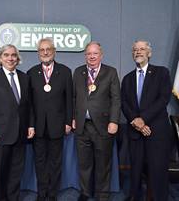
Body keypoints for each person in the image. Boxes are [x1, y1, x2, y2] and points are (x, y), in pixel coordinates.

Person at [0, 44, 35, 201]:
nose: (10, 58)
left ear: (18, 58)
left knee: (16, 172)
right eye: (6, 55)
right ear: (0, 58)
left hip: (20, 133)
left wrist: (31, 125)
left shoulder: (25, 78)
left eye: (13, 55)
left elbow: (29, 105)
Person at [121, 40, 172, 201]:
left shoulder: (161, 73)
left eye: (142, 49)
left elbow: (163, 99)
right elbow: (124, 103)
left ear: (149, 53)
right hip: (135, 131)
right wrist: (136, 121)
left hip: (156, 131)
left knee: (157, 170)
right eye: (135, 50)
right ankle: (134, 196)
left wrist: (143, 119)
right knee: (135, 169)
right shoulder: (128, 78)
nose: (138, 52)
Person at [72, 41, 121, 201]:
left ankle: (102, 194)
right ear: (85, 56)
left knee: (103, 164)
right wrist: (73, 117)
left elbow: (116, 99)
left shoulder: (111, 72)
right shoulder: (78, 72)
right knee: (84, 163)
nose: (91, 56)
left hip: (103, 126)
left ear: (101, 55)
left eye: (95, 53)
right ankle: (85, 192)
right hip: (82, 126)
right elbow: (74, 98)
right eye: (88, 54)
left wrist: (114, 121)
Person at [27, 38, 73, 201]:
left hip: (58, 125)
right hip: (38, 127)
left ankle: (52, 194)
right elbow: (29, 103)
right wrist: (30, 124)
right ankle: (42, 193)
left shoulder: (65, 71)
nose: (45, 52)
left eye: (48, 49)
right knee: (39, 162)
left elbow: (69, 99)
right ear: (38, 53)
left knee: (55, 162)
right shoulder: (31, 73)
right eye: (42, 50)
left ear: (54, 51)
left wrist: (68, 121)